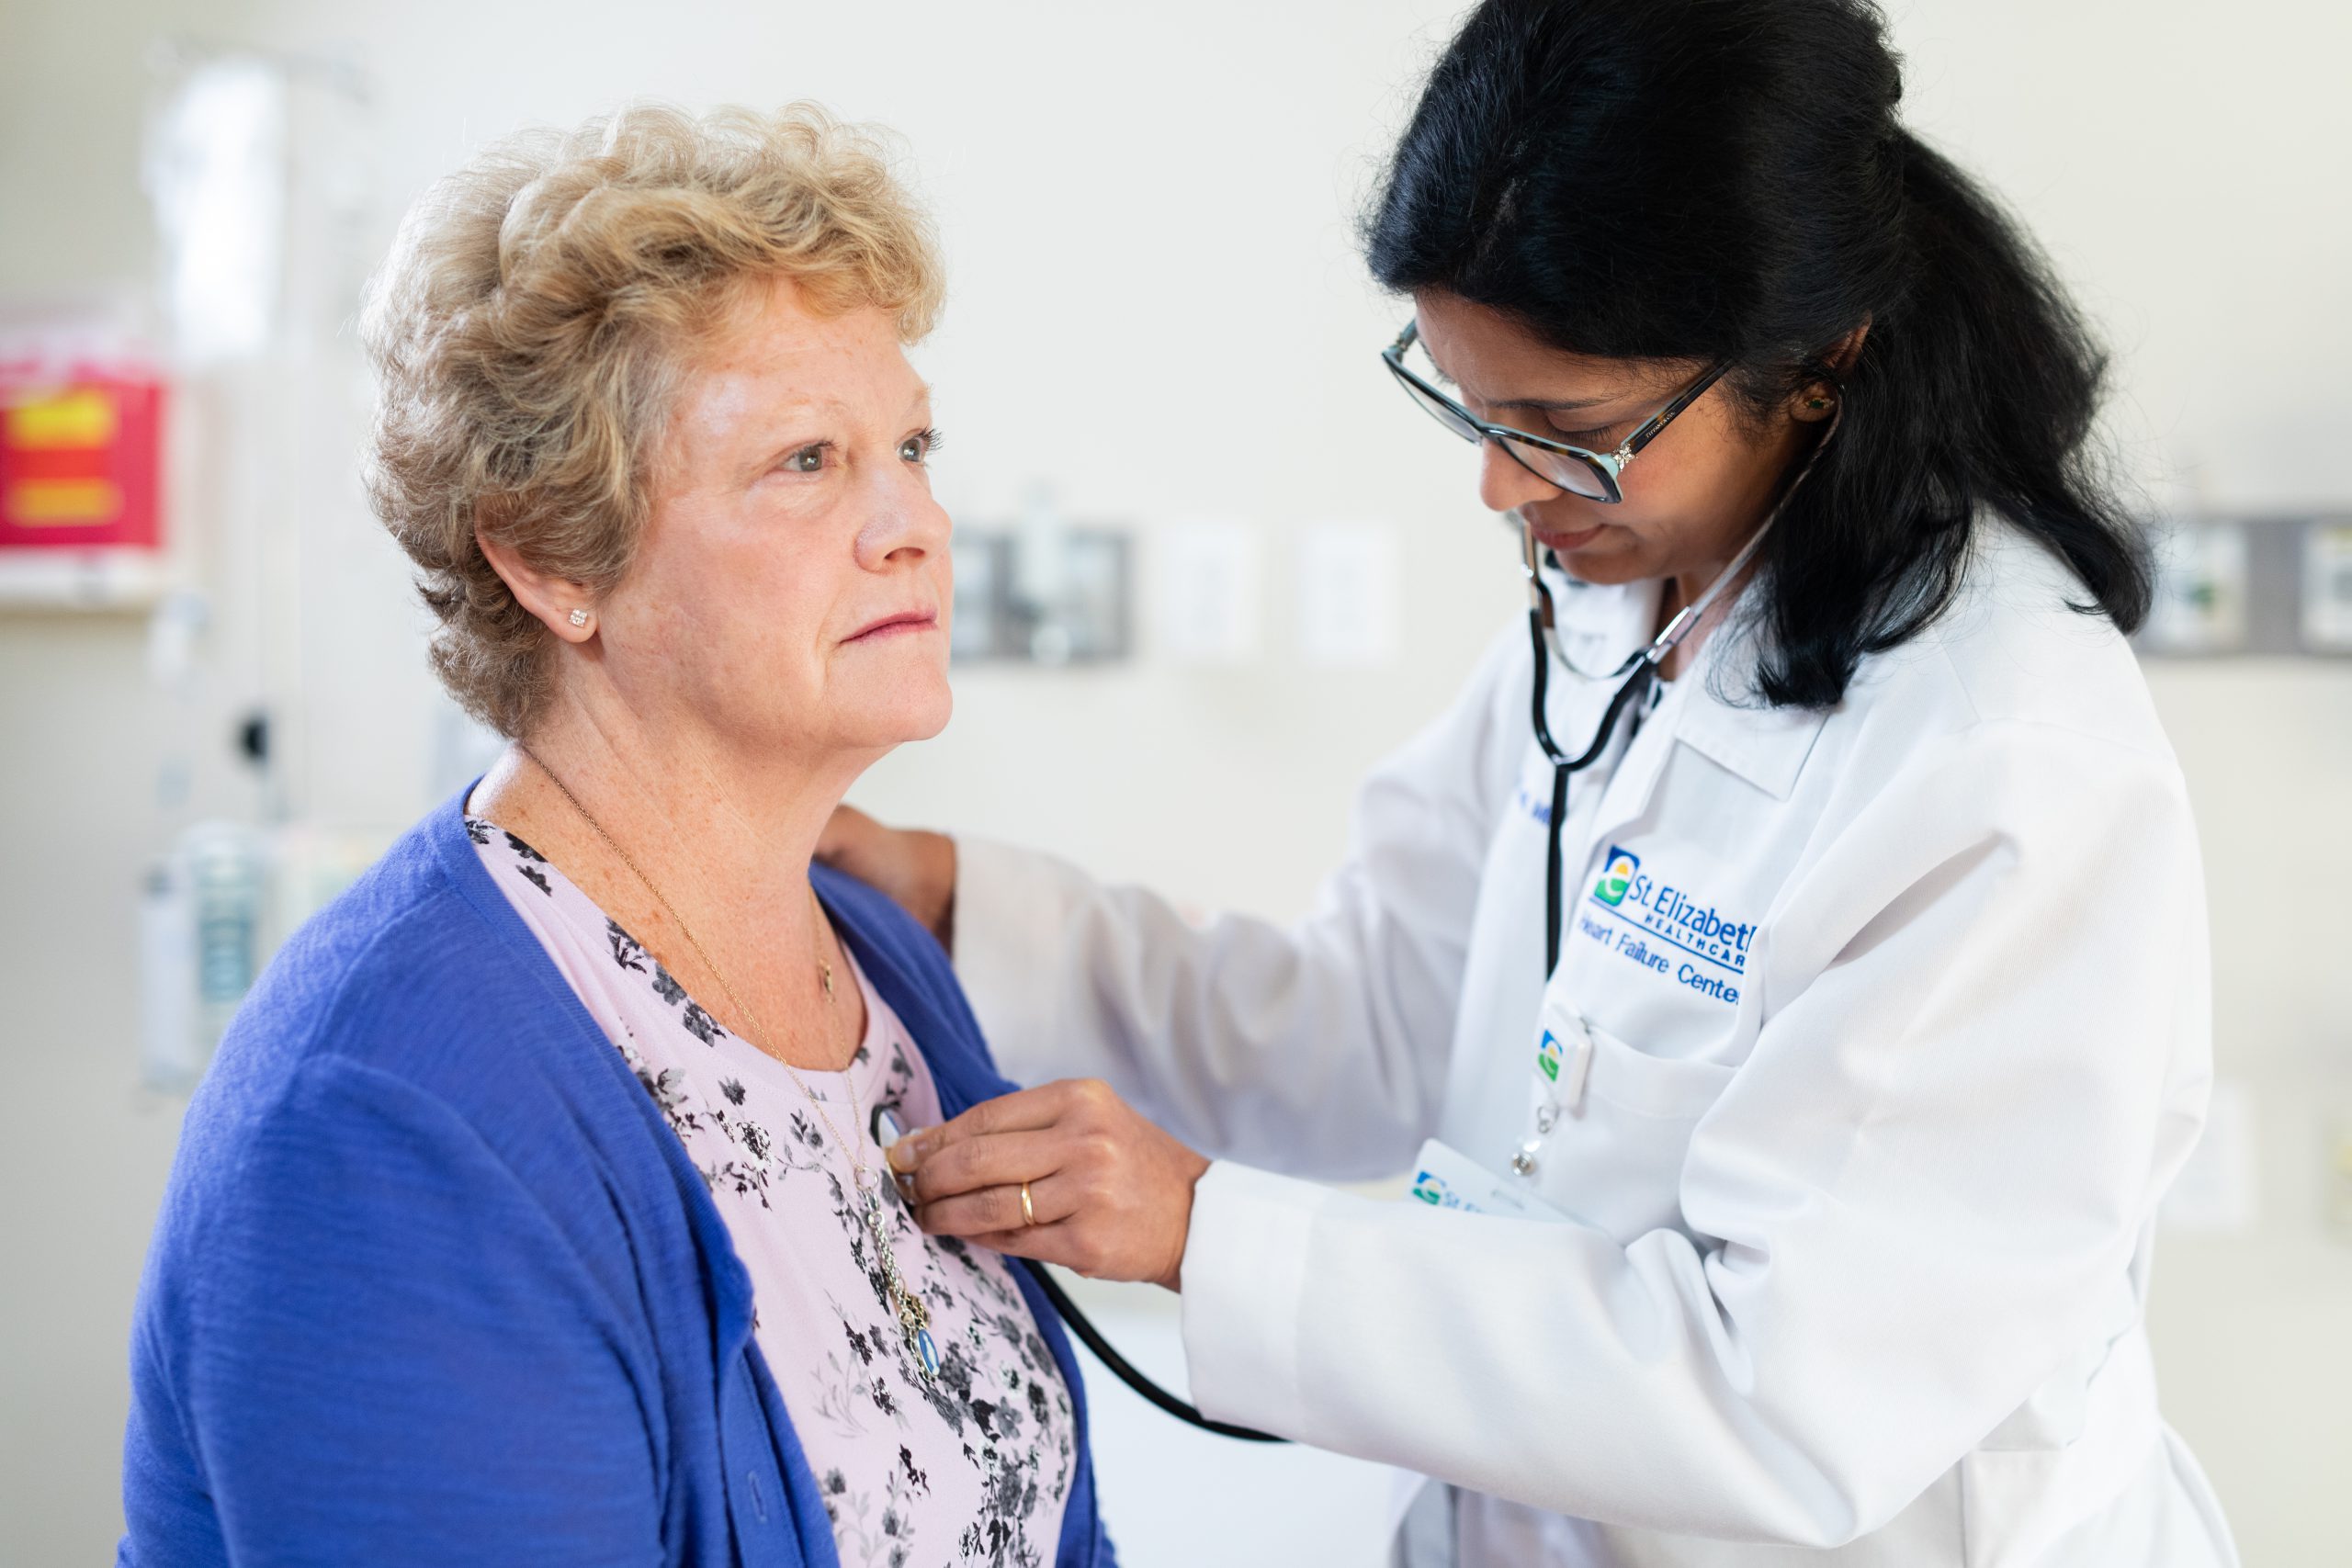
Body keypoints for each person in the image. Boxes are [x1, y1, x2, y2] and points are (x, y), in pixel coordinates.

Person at [823, 2, 2241, 1562]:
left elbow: (1780, 1391)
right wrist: (956, 904)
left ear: (1818, 356)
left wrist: (1203, 1233)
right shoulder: (1631, 595)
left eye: (1564, 430)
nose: (1501, 487)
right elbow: (1374, 1019)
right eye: (1471, 408)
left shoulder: (2003, 764)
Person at [119, 104, 1113, 1568]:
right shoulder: (384, 1126)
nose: (914, 521)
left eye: (910, 441)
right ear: (547, 557)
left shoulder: (882, 974)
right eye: (806, 462)